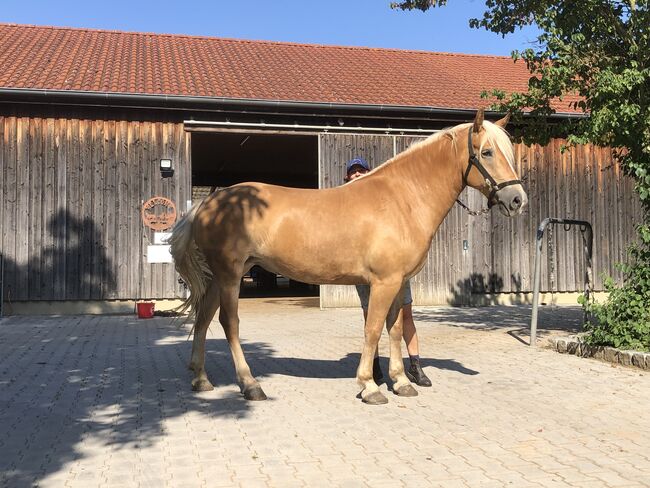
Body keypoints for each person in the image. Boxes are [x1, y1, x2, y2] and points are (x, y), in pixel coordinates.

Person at [344, 157, 432, 387]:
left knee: (405, 315)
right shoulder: (346, 201)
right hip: (365, 267)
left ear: (369, 173)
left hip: (395, 263)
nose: (357, 175)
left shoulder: (382, 200)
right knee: (370, 315)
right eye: (353, 172)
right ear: (347, 177)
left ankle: (415, 364)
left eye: (361, 170)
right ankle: (372, 366)